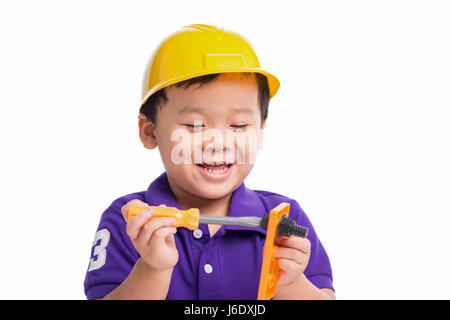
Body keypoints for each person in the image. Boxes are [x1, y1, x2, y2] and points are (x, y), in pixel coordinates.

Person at [84, 24, 335, 300]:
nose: (218, 141)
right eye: (194, 125)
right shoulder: (132, 220)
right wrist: (152, 268)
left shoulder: (286, 217)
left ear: (261, 131)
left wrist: (290, 283)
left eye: (239, 125)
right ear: (150, 131)